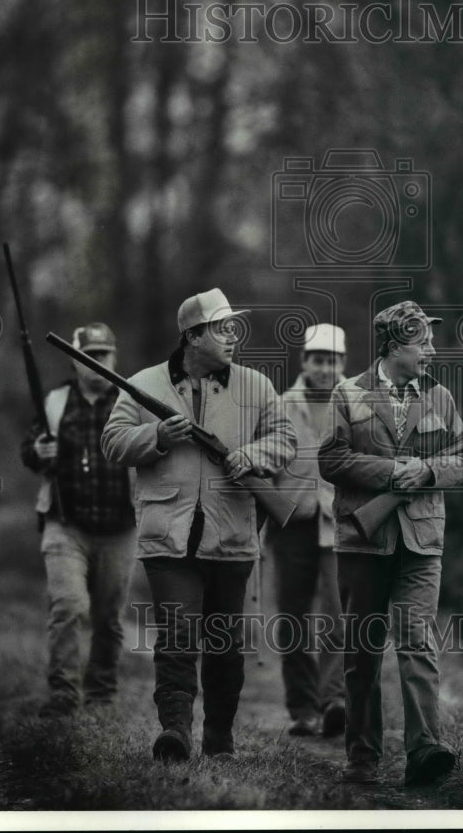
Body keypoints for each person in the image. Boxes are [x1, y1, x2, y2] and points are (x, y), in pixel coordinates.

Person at [101, 288, 297, 761]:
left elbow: (285, 439)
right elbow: (112, 443)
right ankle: (176, 732)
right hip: (167, 535)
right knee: (176, 637)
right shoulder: (142, 384)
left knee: (225, 645)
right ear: (192, 335)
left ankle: (220, 739)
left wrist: (250, 455)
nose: (233, 336)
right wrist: (156, 436)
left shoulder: (255, 386)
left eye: (233, 327)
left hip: (230, 533)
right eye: (222, 327)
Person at [318, 301, 463, 787]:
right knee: (362, 652)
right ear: (390, 346)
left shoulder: (440, 396)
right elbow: (331, 459)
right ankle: (361, 760)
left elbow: (461, 462)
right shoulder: (348, 393)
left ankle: (425, 751)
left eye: (430, 340)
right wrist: (389, 473)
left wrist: (425, 471)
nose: (430, 350)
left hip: (421, 541)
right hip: (364, 540)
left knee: (417, 644)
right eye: (421, 341)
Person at [21, 322, 136, 718]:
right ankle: (64, 694)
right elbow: (29, 451)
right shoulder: (54, 401)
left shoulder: (131, 401)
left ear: (114, 358)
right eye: (90, 355)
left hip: (121, 527)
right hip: (65, 524)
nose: (98, 362)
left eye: (105, 354)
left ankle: (102, 693)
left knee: (109, 617)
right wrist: (40, 450)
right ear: (75, 360)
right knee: (68, 605)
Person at [266, 323, 347, 738]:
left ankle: (334, 699)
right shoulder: (279, 405)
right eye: (318, 360)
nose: (325, 369)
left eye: (332, 361)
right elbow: (264, 465)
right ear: (304, 362)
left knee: (338, 614)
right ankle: (302, 708)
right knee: (293, 617)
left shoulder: (358, 403)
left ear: (343, 364)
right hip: (291, 523)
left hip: (341, 524)